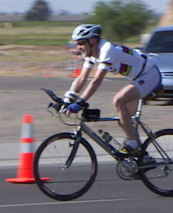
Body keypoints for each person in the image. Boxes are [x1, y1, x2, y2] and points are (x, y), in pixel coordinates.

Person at [64, 24, 162, 155]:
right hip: (138, 78)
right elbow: (82, 78)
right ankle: (141, 156)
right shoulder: (91, 54)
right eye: (77, 44)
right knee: (124, 122)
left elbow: (97, 81)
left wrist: (81, 102)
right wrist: (67, 99)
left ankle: (133, 144)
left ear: (92, 40)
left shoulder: (107, 50)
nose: (78, 47)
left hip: (150, 74)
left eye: (81, 43)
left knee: (118, 100)